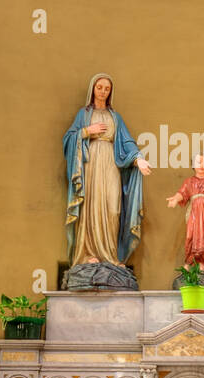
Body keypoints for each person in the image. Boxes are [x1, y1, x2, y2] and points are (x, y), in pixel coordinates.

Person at [63, 73, 152, 266]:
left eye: (107, 88)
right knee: (92, 207)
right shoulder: (84, 114)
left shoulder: (115, 117)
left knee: (113, 208)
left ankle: (111, 256)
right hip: (90, 164)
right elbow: (68, 139)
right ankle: (88, 253)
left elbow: (127, 142)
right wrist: (87, 131)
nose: (103, 91)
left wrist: (138, 159)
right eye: (99, 87)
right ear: (93, 89)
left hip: (111, 163)